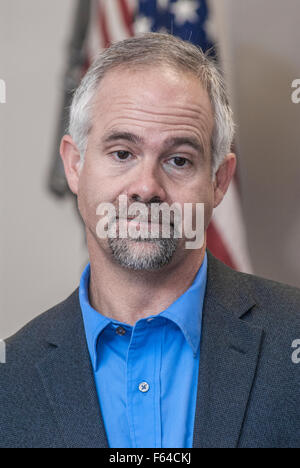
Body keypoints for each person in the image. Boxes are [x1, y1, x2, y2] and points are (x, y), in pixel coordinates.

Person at [0, 33, 299, 449]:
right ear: (74, 165)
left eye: (179, 159)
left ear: (218, 181)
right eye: (122, 152)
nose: (146, 187)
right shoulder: (8, 379)